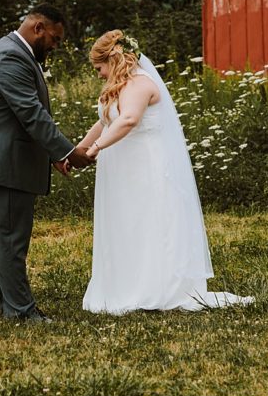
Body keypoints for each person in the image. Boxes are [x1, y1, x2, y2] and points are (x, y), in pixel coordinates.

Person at [77, 30, 254, 315]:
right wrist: (78, 150)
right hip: (122, 171)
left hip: (145, 168)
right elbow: (106, 122)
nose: (98, 75)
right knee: (126, 223)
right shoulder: (118, 88)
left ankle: (154, 286)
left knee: (148, 221)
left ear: (113, 59)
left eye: (99, 68)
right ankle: (125, 282)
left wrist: (97, 148)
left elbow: (129, 119)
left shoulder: (141, 85)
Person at [0, 4, 95, 322]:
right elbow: (31, 114)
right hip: (4, 164)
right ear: (38, 27)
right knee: (9, 240)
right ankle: (21, 311)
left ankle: (4, 306)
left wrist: (51, 155)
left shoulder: (14, 52)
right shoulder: (10, 56)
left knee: (2, 240)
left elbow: (24, 117)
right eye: (54, 38)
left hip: (5, 161)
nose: (55, 46)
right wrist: (66, 151)